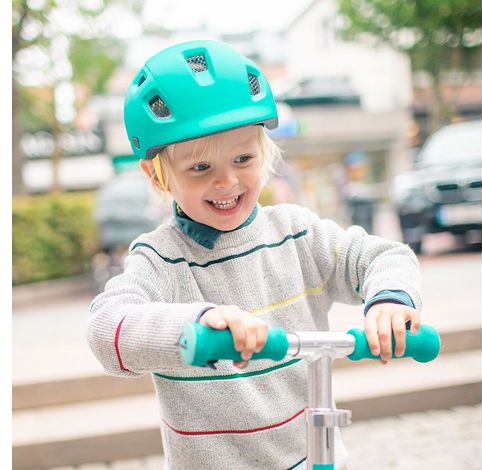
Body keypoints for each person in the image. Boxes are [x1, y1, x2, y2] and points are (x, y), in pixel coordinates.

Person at [87, 40, 422, 470]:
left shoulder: (296, 233)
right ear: (157, 176)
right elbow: (107, 328)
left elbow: (382, 255)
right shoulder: (161, 259)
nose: (227, 182)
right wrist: (195, 323)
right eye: (201, 168)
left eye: (243, 158)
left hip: (315, 456)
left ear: (264, 152)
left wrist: (391, 298)